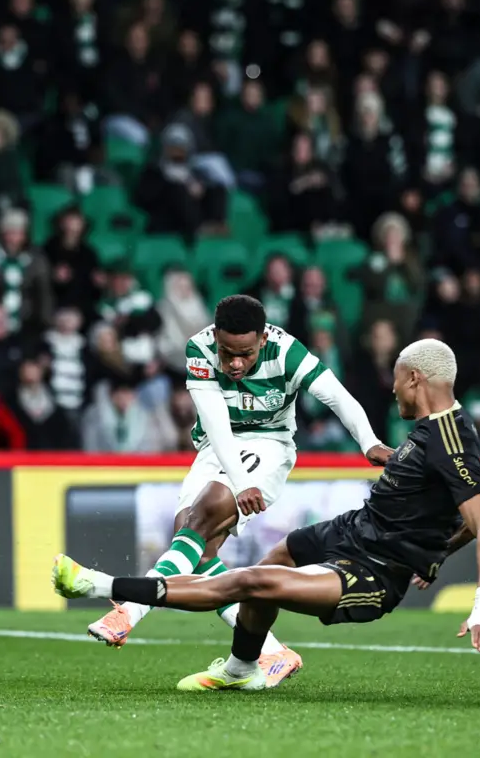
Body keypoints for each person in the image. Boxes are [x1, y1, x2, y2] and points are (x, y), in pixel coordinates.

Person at [53, 338, 480, 691]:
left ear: (414, 378)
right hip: (352, 530)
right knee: (276, 558)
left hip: (374, 570)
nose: (392, 388)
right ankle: (243, 667)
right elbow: (477, 502)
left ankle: (100, 586)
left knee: (251, 581)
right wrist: (437, 552)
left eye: (397, 379)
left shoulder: (450, 438)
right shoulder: (433, 431)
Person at [81, 295, 390, 688]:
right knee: (194, 546)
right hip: (217, 446)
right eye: (227, 354)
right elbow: (216, 425)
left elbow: (336, 395)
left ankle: (128, 611)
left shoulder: (287, 351)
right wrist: (241, 481)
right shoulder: (199, 349)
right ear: (216, 337)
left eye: (245, 354)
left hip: (270, 444)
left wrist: (369, 442)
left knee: (207, 511)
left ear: (263, 339)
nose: (235, 364)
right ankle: (273, 651)